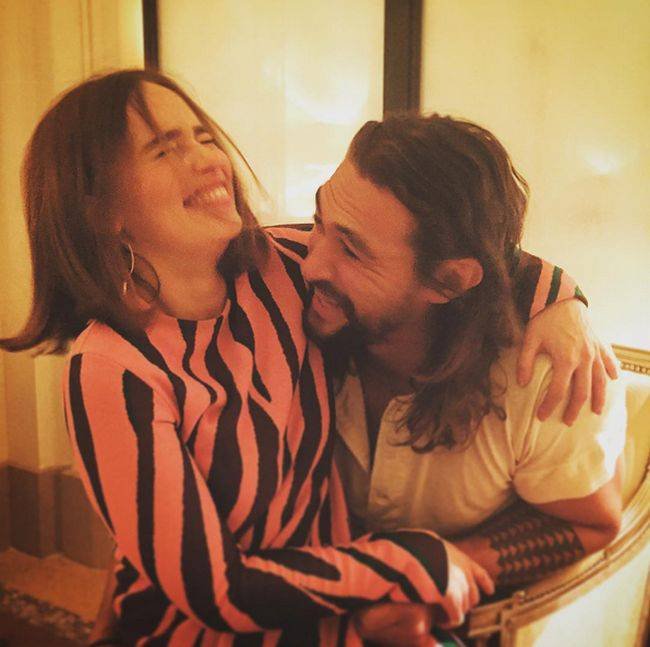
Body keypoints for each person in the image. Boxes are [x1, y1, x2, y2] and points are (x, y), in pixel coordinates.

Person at [0, 69, 612, 646]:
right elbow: (213, 591)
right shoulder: (111, 368)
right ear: (100, 210)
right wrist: (414, 561)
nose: (210, 159)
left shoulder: (281, 268)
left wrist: (564, 299)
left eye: (204, 136)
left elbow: (458, 257)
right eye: (164, 149)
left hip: (330, 620)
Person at [300, 115, 624, 642]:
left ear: (448, 280)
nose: (311, 264)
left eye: (353, 251)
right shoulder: (288, 307)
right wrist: (561, 287)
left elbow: (592, 521)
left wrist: (429, 573)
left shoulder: (544, 374)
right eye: (318, 222)